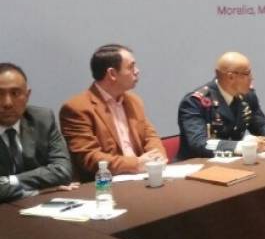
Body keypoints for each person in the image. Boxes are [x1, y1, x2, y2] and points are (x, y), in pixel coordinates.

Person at [60, 44, 166, 181]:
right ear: (112, 74)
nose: (137, 71)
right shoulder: (77, 108)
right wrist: (135, 164)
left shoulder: (134, 101)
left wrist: (157, 156)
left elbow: (150, 136)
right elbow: (89, 157)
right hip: (105, 184)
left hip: (142, 176)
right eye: (131, 67)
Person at [177, 52, 265, 159]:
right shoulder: (194, 102)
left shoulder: (247, 96)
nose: (252, 78)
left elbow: (260, 124)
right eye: (247, 73)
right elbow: (199, 143)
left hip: (233, 163)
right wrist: (242, 146)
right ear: (230, 77)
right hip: (197, 166)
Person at [1, 63, 76, 202]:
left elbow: (62, 171)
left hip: (37, 205)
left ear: (27, 95)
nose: (7, 103)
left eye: (15, 93)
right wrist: (36, 192)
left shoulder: (42, 119)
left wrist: (10, 181)